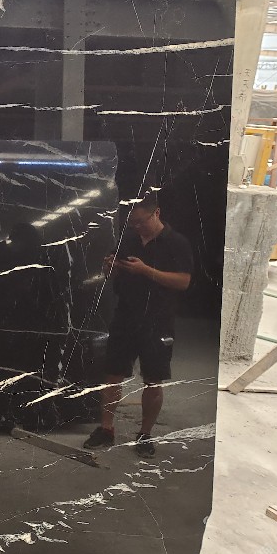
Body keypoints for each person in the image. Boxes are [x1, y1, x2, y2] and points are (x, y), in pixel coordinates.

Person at [83, 193, 192, 457]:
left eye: (142, 221)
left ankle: (145, 434)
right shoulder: (127, 238)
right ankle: (106, 429)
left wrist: (146, 271)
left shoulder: (176, 243)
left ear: (157, 213)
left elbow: (183, 282)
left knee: (153, 380)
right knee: (112, 375)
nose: (137, 227)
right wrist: (110, 267)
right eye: (133, 223)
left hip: (158, 320)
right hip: (125, 316)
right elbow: (110, 273)